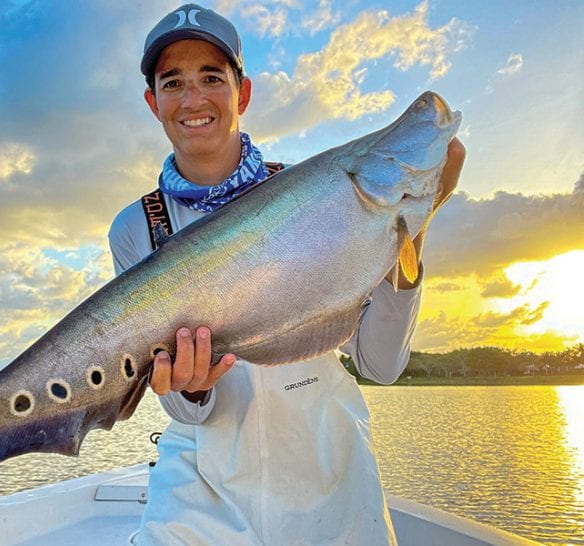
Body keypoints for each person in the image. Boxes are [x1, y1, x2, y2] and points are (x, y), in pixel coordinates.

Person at [109, 4, 465, 545]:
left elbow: (381, 364)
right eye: (173, 81)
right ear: (152, 101)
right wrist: (194, 389)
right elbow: (183, 409)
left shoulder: (322, 192)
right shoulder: (138, 226)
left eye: (211, 77)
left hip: (332, 475)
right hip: (201, 493)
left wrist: (414, 222)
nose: (193, 98)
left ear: (242, 92)